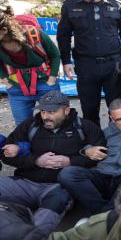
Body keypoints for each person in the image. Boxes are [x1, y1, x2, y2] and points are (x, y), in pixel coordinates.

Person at [0, 90, 106, 236]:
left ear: (66, 110)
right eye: (43, 111)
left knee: (56, 203)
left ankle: (30, 236)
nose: (45, 116)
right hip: (25, 183)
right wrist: (36, 160)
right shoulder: (30, 125)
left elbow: (102, 158)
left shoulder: (85, 127)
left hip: (58, 187)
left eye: (52, 112)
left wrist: (70, 161)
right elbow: (6, 155)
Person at [57, 0, 121, 126]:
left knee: (117, 106)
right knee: (89, 109)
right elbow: (63, 35)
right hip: (86, 66)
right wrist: (66, 61)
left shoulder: (116, 6)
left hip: (114, 66)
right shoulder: (69, 6)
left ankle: (118, 140)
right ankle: (94, 142)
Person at [0, 6, 61, 125]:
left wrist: (52, 80)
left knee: (55, 123)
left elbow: (55, 55)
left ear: (4, 30)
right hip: (17, 88)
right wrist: (6, 82)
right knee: (22, 127)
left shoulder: (34, 34)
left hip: (45, 85)